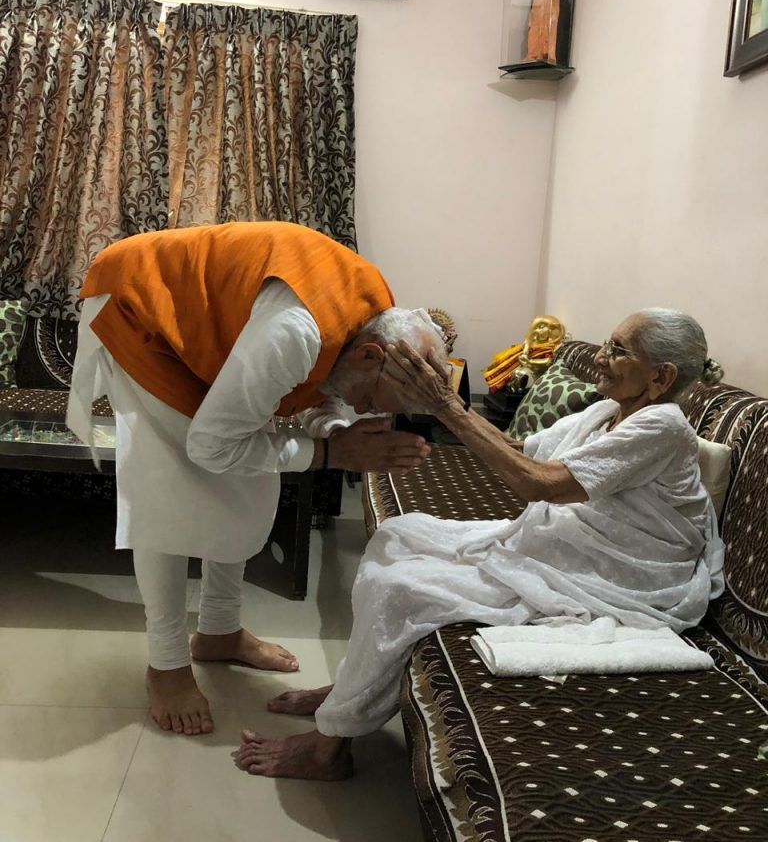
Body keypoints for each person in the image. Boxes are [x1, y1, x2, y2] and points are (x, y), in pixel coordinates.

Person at [234, 308, 725, 781]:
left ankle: (330, 748)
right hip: (567, 543)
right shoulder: (604, 411)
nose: (600, 356)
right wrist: (449, 405)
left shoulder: (662, 424)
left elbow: (541, 484)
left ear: (660, 377)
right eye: (607, 343)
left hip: (620, 576)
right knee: (400, 533)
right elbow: (519, 451)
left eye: (618, 350)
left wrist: (446, 405)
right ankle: (348, 687)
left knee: (403, 588)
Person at [67, 221, 445, 737]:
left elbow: (328, 388)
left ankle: (219, 631)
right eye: (374, 402)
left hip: (218, 332)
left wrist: (338, 429)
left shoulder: (372, 321)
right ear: (373, 357)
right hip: (139, 306)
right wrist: (333, 452)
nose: (366, 412)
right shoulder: (294, 332)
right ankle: (167, 663)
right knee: (171, 489)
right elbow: (211, 445)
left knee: (248, 479)